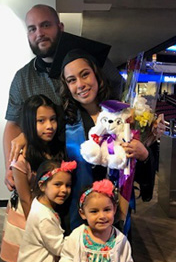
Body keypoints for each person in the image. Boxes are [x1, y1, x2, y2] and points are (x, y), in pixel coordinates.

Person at [4, 4, 123, 192]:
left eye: (45, 25)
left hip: (99, 171)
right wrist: (10, 165)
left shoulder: (93, 63)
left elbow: (120, 101)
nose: (39, 33)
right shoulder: (22, 79)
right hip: (48, 181)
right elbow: (13, 124)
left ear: (60, 27)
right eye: (32, 29)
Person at [60, 48, 157, 231]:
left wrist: (143, 154)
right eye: (72, 80)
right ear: (67, 86)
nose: (80, 84)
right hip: (77, 215)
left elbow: (141, 168)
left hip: (115, 213)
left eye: (85, 74)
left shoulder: (125, 114)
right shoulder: (63, 121)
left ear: (97, 75)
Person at [0, 94, 64, 262]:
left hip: (50, 213)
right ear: (29, 122)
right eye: (41, 121)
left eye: (52, 119)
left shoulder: (55, 148)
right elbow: (26, 199)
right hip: (28, 218)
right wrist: (34, 230)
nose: (49, 126)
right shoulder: (21, 159)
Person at [9, 159, 77, 262]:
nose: (64, 190)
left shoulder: (39, 203)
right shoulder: (44, 217)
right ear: (42, 185)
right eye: (58, 184)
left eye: (68, 185)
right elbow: (59, 247)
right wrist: (80, 238)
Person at [58, 179, 135, 262]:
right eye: (94, 211)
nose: (102, 216)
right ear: (83, 213)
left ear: (114, 209)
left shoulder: (120, 241)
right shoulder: (77, 235)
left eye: (107, 209)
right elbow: (65, 257)